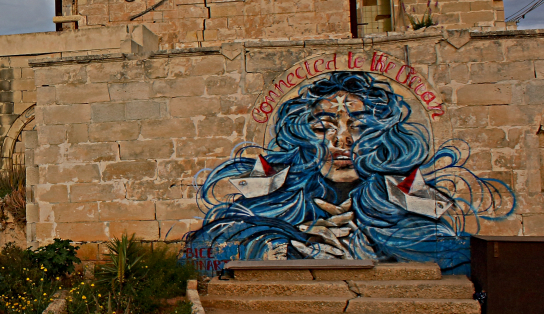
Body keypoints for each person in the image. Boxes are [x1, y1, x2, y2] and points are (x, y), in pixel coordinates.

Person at [182, 71, 513, 273]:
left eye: (359, 126)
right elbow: (203, 248)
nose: (343, 139)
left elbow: (456, 249)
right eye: (323, 127)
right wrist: (289, 246)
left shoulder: (406, 191)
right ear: (304, 136)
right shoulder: (276, 189)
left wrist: (377, 247)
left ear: (383, 136)